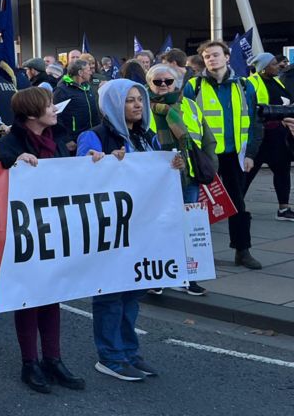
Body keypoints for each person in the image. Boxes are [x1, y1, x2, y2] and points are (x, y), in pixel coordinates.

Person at [75, 79, 184, 382]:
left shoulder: (148, 137)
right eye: (129, 100)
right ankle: (110, 356)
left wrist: (172, 165)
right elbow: (79, 176)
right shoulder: (93, 136)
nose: (138, 105)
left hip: (142, 229)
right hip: (111, 230)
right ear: (112, 105)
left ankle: (129, 352)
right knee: (111, 294)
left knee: (132, 293)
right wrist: (101, 162)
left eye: (140, 99)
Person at [0, 87, 85, 395]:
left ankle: (53, 359)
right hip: (24, 235)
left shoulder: (54, 142)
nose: (55, 108)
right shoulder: (9, 144)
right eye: (49, 105)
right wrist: (12, 162)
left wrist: (96, 163)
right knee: (28, 299)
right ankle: (29, 363)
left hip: (53, 231)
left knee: (51, 296)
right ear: (32, 114)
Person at [184, 41, 263, 269]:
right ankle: (195, 254)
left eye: (216, 55)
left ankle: (242, 250)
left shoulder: (245, 86)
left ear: (227, 57)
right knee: (198, 206)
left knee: (237, 204)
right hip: (205, 157)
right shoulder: (193, 86)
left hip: (234, 156)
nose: (212, 59)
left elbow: (255, 123)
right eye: (207, 56)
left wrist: (250, 154)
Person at [146, 64, 215, 296]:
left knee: (188, 227)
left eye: (168, 81)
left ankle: (188, 276)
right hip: (158, 180)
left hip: (189, 176)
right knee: (161, 225)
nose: (163, 85)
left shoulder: (190, 105)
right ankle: (160, 274)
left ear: (177, 83)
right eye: (157, 82)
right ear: (149, 84)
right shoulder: (144, 108)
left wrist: (210, 163)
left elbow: (206, 138)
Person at [244, 53, 293, 221]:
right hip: (260, 135)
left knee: (283, 170)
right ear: (263, 68)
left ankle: (283, 209)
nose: (277, 66)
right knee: (247, 173)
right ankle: (236, 206)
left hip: (278, 135)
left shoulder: (277, 80)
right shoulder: (251, 82)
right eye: (273, 64)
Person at [53, 58, 101, 150]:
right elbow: (56, 117)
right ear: (80, 73)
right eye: (88, 70)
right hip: (75, 141)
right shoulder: (62, 90)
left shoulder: (87, 87)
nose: (91, 72)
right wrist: (66, 139)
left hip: (92, 136)